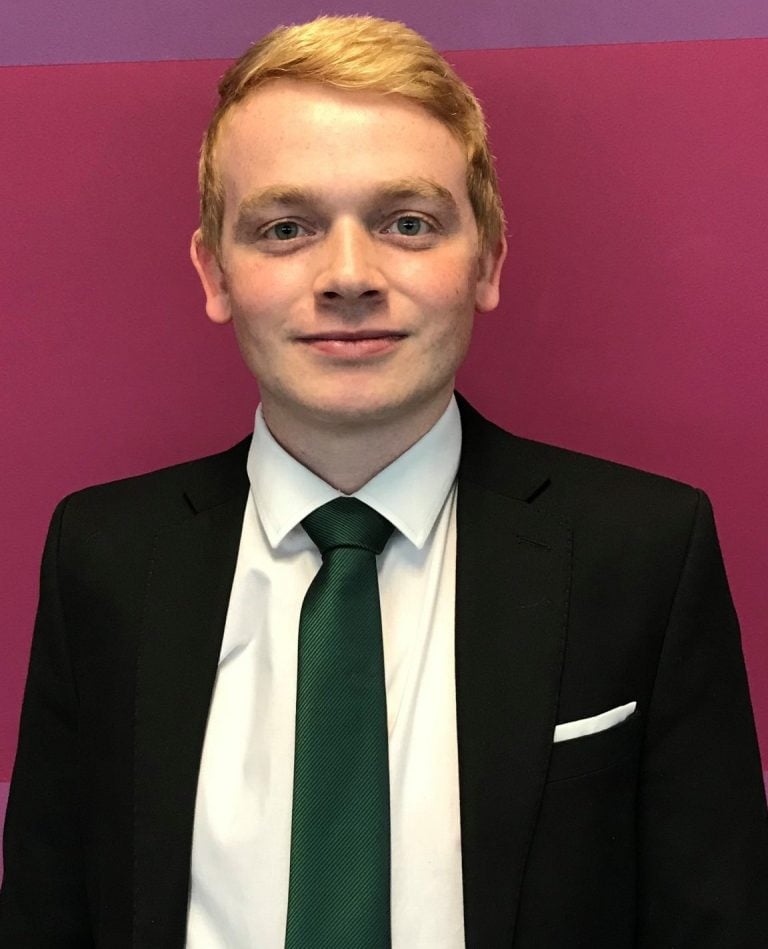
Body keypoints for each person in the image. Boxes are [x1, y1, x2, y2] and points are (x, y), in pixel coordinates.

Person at [1, 14, 766, 948]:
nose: (350, 276)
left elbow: (716, 919)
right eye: (286, 228)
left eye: (408, 223)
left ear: (486, 259)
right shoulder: (104, 557)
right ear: (215, 272)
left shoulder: (643, 552)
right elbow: (48, 914)